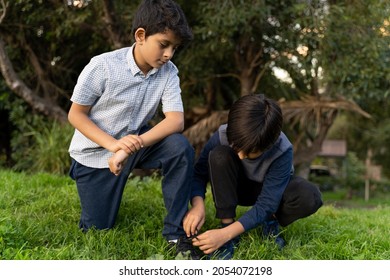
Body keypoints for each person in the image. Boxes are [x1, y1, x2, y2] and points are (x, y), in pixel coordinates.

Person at [68, 0, 202, 259]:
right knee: (98, 229)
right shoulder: (103, 66)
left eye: (175, 48)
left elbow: (175, 120)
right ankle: (91, 187)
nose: (169, 55)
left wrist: (133, 144)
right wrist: (114, 146)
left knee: (179, 146)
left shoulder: (168, 72)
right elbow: (76, 114)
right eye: (164, 45)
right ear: (141, 36)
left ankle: (175, 235)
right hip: (97, 155)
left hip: (136, 146)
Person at [183, 94, 323, 259]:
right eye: (237, 147)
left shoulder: (282, 150)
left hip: (268, 190)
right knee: (219, 155)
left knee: (310, 196)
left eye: (251, 152)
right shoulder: (224, 134)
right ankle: (227, 226)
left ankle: (269, 223)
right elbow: (198, 174)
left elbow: (267, 203)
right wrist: (198, 205)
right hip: (236, 186)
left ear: (269, 145)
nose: (241, 156)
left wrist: (224, 235)